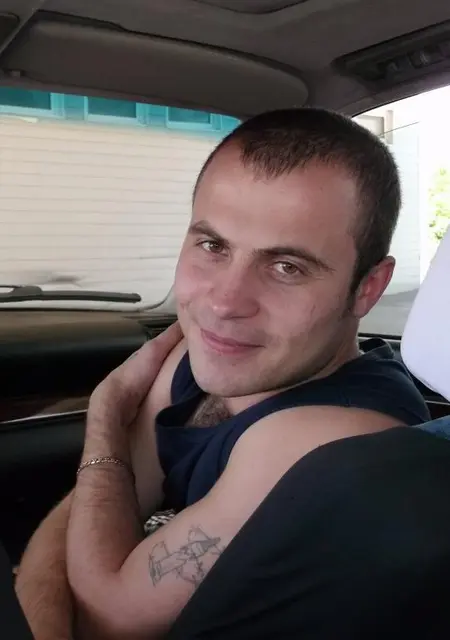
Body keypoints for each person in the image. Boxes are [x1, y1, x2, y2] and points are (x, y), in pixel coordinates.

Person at [15, 108, 429, 639]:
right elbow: (95, 505)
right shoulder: (213, 356)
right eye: (213, 246)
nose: (224, 304)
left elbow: (108, 614)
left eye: (287, 267)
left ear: (367, 288)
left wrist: (107, 410)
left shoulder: (335, 438)